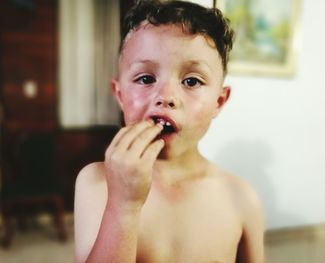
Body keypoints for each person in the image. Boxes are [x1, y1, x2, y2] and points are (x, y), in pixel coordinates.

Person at [74, 1, 264, 262]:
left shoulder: (242, 198)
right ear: (120, 95)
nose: (166, 96)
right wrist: (123, 207)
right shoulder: (96, 182)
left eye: (192, 81)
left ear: (218, 102)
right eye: (146, 79)